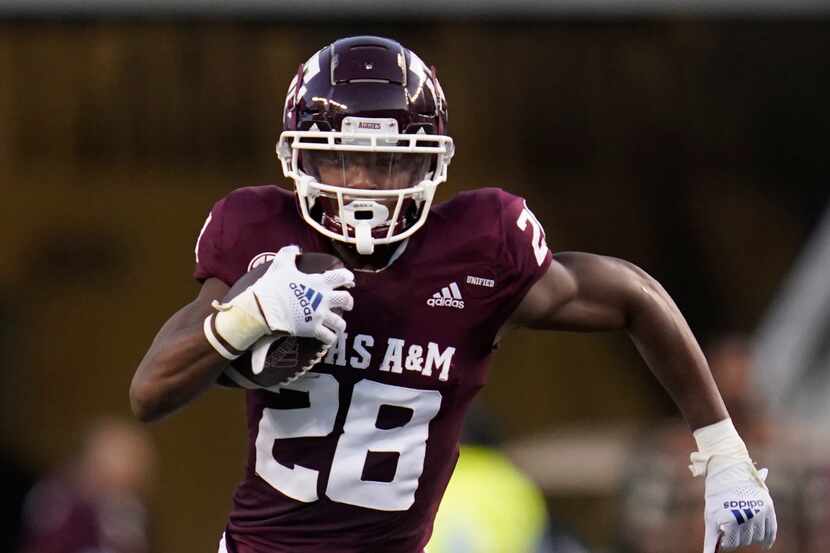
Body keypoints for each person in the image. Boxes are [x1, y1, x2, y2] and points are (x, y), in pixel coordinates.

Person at [130, 36, 777, 553]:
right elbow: (150, 392)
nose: (363, 185)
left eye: (388, 162)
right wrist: (247, 311)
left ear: (430, 163)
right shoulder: (262, 240)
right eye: (342, 159)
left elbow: (631, 293)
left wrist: (723, 450)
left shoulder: (479, 247)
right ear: (299, 160)